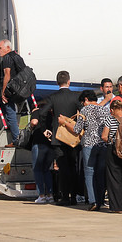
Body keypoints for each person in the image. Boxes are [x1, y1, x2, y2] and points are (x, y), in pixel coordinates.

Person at [60, 89, 109, 211]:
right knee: (100, 173)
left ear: (86, 100)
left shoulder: (85, 110)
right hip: (102, 144)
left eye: (83, 102)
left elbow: (77, 129)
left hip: (88, 144)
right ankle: (100, 199)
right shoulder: (105, 110)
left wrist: (65, 123)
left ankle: (92, 201)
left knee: (89, 172)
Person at [38, 70, 81, 206]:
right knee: (73, 166)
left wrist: (45, 129)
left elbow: (42, 113)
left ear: (57, 83)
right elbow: (83, 112)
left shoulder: (53, 97)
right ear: (69, 81)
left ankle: (65, 197)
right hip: (73, 136)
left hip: (59, 138)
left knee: (62, 168)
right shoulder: (76, 96)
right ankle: (74, 196)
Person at [0, 39, 23, 145]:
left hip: (11, 89)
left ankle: (16, 139)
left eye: (0, 48)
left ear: (8, 48)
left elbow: (7, 74)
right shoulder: (17, 57)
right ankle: (16, 129)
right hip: (20, 89)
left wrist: (3, 92)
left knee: (10, 112)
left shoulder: (7, 58)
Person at [30, 99, 54, 204]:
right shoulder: (52, 114)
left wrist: (31, 126)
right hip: (50, 145)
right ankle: (50, 194)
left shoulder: (37, 111)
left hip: (39, 144)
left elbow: (34, 122)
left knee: (37, 170)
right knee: (46, 170)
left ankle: (41, 195)